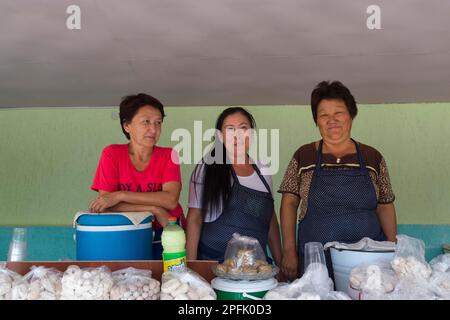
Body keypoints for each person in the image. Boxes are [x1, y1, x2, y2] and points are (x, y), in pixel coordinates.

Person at [279, 81, 397, 280]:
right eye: (323, 115)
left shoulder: (372, 157)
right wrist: (289, 250)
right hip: (316, 261)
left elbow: (385, 205)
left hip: (367, 263)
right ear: (316, 120)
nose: (331, 120)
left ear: (351, 116)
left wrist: (393, 249)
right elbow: (289, 203)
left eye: (338, 113)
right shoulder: (304, 155)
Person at [89, 93, 186, 259]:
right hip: (128, 231)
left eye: (158, 122)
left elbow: (170, 200)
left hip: (168, 230)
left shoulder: (169, 155)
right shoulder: (112, 154)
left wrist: (121, 195)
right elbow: (106, 204)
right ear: (127, 126)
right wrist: (154, 209)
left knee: (171, 281)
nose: (153, 129)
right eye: (146, 122)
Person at [186, 107, 282, 267]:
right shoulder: (207, 168)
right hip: (213, 263)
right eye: (230, 129)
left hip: (256, 266)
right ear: (220, 136)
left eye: (243, 128)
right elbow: (194, 217)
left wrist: (280, 261)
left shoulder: (263, 170)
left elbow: (270, 218)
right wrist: (191, 265)